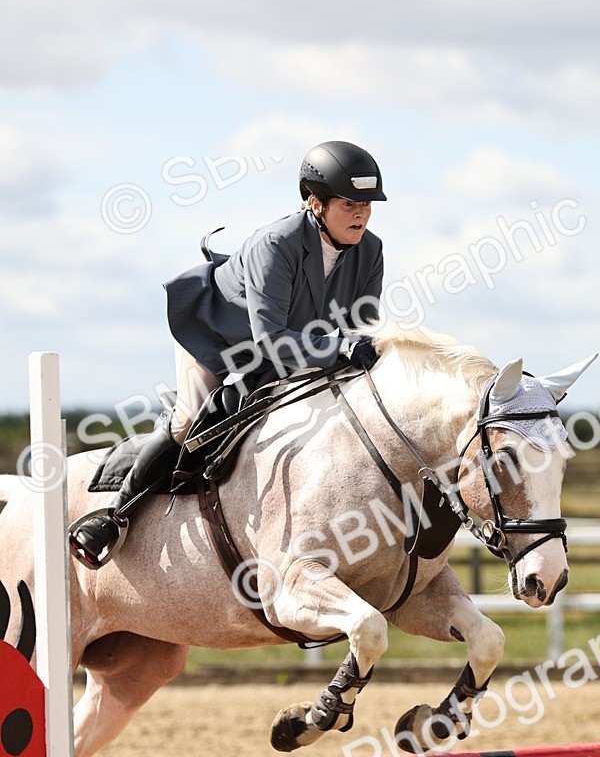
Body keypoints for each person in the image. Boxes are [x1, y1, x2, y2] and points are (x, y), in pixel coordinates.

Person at [70, 140, 387, 568]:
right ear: (315, 203)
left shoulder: (371, 250)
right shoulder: (275, 244)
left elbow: (357, 326)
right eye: (350, 203)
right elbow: (273, 339)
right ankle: (116, 516)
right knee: (188, 420)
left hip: (291, 351)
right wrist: (341, 347)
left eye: (367, 204)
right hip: (219, 338)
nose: (361, 214)